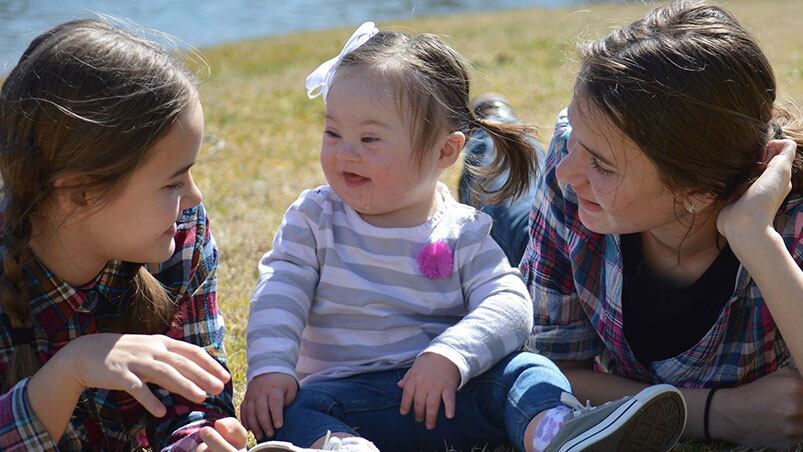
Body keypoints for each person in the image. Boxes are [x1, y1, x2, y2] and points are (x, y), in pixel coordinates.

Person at [240, 22, 686, 452]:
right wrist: (271, 367)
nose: (345, 152)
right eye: (332, 132)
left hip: (450, 395)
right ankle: (342, 447)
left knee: (526, 370)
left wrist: (452, 355)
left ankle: (558, 433)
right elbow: (280, 291)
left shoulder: (464, 230)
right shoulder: (314, 218)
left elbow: (510, 304)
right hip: (344, 399)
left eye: (369, 138)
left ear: (444, 151)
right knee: (291, 408)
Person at [463, 1, 803, 449]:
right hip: (551, 228)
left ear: (697, 192)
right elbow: (545, 369)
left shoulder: (789, 217)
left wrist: (756, 237)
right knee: (503, 199)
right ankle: (493, 133)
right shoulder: (570, 168)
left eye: (601, 164)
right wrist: (718, 414)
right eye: (576, 143)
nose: (567, 172)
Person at [0, 19, 247, 451]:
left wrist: (197, 439)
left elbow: (194, 398)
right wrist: (71, 369)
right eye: (173, 182)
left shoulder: (179, 236)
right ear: (79, 195)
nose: (194, 196)